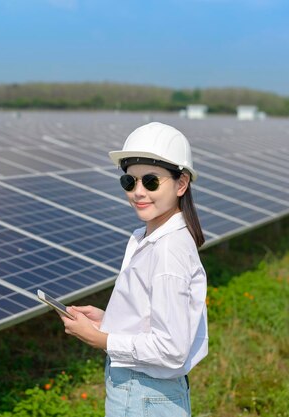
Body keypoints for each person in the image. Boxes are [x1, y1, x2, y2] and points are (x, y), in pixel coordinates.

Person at [61, 122, 208, 417]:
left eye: (151, 181)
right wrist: (108, 321)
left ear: (181, 184)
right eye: (130, 182)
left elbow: (171, 348)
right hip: (144, 393)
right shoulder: (149, 237)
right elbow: (155, 317)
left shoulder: (168, 250)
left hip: (143, 394)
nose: (138, 192)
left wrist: (102, 340)